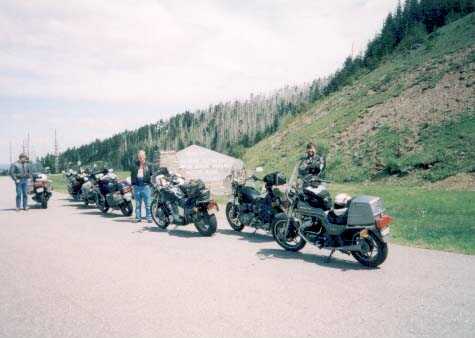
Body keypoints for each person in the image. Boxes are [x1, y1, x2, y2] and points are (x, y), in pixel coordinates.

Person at [130, 150, 154, 223]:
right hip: (137, 186)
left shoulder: (148, 165)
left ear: (145, 157)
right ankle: (138, 218)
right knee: (137, 204)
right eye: (139, 156)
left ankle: (149, 218)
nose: (141, 158)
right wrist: (133, 185)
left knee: (148, 204)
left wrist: (151, 184)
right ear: (138, 157)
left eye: (142, 156)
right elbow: (132, 175)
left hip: (146, 186)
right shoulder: (134, 165)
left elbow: (151, 175)